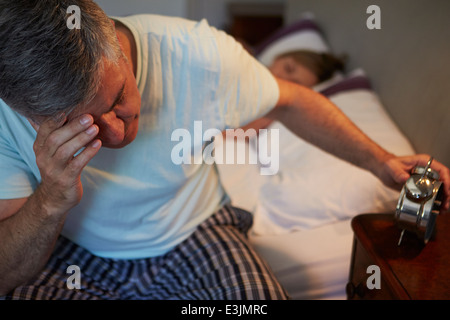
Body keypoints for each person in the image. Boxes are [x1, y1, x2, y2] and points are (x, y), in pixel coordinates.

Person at [0, 0, 449, 300]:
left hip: (194, 231)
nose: (114, 134)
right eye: (78, 126)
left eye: (118, 99)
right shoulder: (6, 114)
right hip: (73, 251)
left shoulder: (197, 53)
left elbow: (291, 101)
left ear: (116, 44)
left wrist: (382, 162)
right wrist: (49, 201)